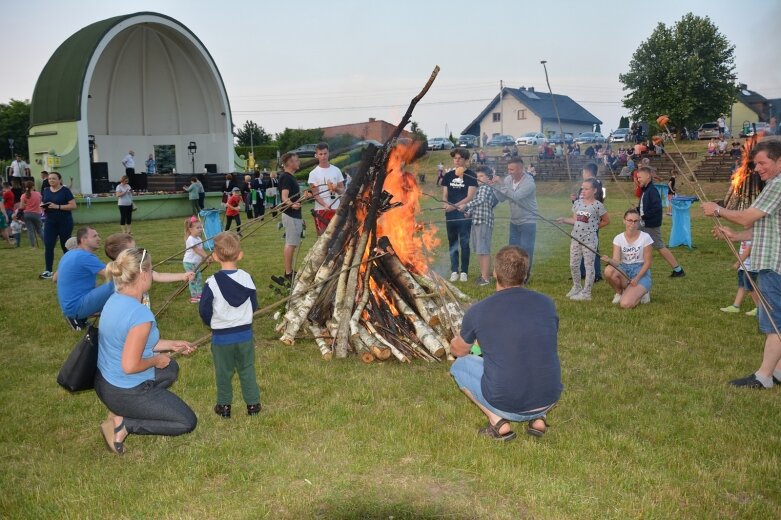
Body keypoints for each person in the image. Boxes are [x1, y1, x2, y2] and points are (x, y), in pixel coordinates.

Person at [449, 246, 562, 441]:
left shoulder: (479, 311)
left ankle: (498, 422)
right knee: (534, 356)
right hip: (548, 398)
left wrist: (454, 341)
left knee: (459, 366)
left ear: (494, 272)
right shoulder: (547, 303)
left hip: (507, 403)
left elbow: (459, 351)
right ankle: (538, 419)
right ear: (525, 273)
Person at [95, 247, 198, 455]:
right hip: (123, 390)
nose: (152, 274)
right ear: (143, 274)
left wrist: (171, 345)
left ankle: (133, 407)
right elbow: (130, 365)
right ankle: (125, 424)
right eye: (151, 270)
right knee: (186, 421)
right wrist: (155, 360)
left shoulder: (116, 298)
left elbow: (134, 341)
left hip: (105, 382)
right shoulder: (140, 314)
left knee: (171, 368)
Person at [702, 139, 781, 388]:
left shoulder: (777, 185)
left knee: (775, 324)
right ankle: (778, 371)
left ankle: (764, 376)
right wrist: (736, 236)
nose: (757, 168)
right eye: (755, 163)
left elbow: (746, 217)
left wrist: (717, 210)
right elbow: (768, 228)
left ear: (779, 161)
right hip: (774, 262)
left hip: (774, 266)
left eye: (762, 162)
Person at [199, 232, 261, 418]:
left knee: (223, 372)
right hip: (244, 335)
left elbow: (204, 309)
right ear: (240, 255)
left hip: (222, 338)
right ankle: (253, 405)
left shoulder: (211, 283)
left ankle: (224, 406)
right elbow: (254, 304)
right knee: (247, 369)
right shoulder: (247, 278)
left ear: (215, 256)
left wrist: (212, 323)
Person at [557, 178, 609, 301]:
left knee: (589, 266)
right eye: (582, 188)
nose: (583, 191)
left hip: (590, 241)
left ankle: (586, 293)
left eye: (587, 189)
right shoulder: (577, 203)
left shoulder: (598, 205)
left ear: (595, 190)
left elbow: (606, 220)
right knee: (573, 264)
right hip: (575, 238)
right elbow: (575, 221)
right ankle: (576, 287)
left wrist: (594, 228)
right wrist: (564, 220)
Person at [56, 226, 115, 329]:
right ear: (83, 240)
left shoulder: (69, 254)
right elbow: (114, 275)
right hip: (76, 308)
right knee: (119, 283)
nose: (99, 238)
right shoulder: (85, 256)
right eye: (94, 236)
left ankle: (80, 317)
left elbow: (55, 278)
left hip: (69, 307)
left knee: (109, 289)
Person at [492, 156, 537, 280]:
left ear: (520, 169)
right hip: (514, 220)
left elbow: (515, 196)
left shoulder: (529, 182)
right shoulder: (507, 179)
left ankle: (525, 276)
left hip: (528, 220)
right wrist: (495, 187)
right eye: (508, 169)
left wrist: (502, 185)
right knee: (513, 249)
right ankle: (514, 275)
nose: (509, 172)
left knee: (526, 250)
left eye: (512, 170)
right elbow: (502, 198)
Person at [636, 165, 685, 277]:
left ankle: (678, 270)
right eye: (637, 178)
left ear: (648, 176)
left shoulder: (652, 190)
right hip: (644, 223)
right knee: (636, 241)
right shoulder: (646, 190)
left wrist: (643, 216)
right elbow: (645, 206)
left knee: (659, 246)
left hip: (651, 225)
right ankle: (635, 267)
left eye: (640, 177)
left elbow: (656, 208)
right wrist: (637, 210)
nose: (638, 179)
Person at [602, 208, 653, 308]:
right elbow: (616, 261)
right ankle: (619, 293)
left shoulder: (646, 237)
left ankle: (643, 292)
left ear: (639, 222)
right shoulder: (618, 238)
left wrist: (637, 278)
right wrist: (609, 260)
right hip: (625, 270)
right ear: (624, 220)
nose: (632, 224)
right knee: (609, 270)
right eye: (630, 220)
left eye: (635, 221)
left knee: (625, 304)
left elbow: (648, 262)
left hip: (640, 272)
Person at [442, 148, 477, 282]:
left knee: (464, 242)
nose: (457, 161)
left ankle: (464, 271)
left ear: (465, 160)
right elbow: (445, 194)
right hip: (450, 215)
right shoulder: (448, 175)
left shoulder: (471, 175)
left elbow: (470, 197)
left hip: (464, 214)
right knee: (452, 242)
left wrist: (454, 206)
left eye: (460, 158)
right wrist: (446, 204)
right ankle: (454, 270)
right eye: (455, 158)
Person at [460, 166, 496, 286]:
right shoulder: (480, 189)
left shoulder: (485, 188)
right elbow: (477, 205)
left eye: (481, 176)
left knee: (484, 250)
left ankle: (486, 279)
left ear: (488, 178)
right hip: (477, 222)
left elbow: (480, 201)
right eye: (477, 176)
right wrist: (468, 213)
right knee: (480, 250)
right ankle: (483, 275)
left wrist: (466, 205)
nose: (478, 179)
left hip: (483, 222)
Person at [572, 163, 605, 282]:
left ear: (588, 172)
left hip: (591, 220)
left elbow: (598, 201)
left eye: (583, 172)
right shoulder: (585, 185)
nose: (582, 174)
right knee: (580, 246)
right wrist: (575, 201)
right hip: (581, 220)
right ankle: (581, 272)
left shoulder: (597, 185)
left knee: (592, 248)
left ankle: (596, 274)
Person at [40, 172, 76, 280]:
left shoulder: (65, 191)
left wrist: (57, 206)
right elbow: (43, 202)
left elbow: (73, 206)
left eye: (54, 179)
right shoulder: (46, 190)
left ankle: (70, 270)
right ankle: (48, 270)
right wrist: (42, 206)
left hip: (65, 221)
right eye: (50, 179)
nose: (51, 180)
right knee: (49, 245)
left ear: (59, 180)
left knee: (66, 246)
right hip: (50, 222)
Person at [308, 142, 344, 236]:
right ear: (316, 155)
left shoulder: (336, 170)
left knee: (336, 236)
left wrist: (336, 189)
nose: (323, 156)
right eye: (320, 154)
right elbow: (315, 193)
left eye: (325, 153)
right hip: (321, 209)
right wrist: (325, 205)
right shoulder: (313, 173)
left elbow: (343, 190)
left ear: (328, 153)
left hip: (336, 208)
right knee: (322, 237)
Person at [278, 152, 304, 283]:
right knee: (291, 243)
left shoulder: (290, 177)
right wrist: (291, 204)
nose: (298, 162)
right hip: (290, 214)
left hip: (294, 215)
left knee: (293, 243)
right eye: (296, 160)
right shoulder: (286, 177)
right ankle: (288, 273)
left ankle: (290, 271)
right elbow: (284, 197)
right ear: (289, 163)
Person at [719, 240, 760, 316]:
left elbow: (749, 249)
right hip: (744, 266)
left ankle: (760, 308)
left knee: (751, 287)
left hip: (751, 267)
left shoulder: (753, 234)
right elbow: (737, 238)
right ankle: (736, 306)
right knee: (742, 286)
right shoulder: (746, 233)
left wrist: (738, 263)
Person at [183, 218, 210, 303]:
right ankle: (195, 296)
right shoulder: (191, 239)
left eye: (201, 227)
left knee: (197, 278)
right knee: (194, 279)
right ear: (190, 229)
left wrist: (206, 258)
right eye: (197, 228)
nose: (200, 229)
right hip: (189, 263)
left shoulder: (198, 239)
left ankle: (198, 294)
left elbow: (201, 250)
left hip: (195, 262)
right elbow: (197, 250)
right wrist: (206, 257)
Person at [19, 181, 43, 248]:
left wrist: (26, 205)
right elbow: (40, 202)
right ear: (33, 186)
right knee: (39, 230)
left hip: (27, 214)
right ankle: (46, 243)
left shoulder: (24, 195)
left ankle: (33, 246)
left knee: (30, 230)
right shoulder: (38, 194)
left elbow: (21, 207)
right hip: (36, 213)